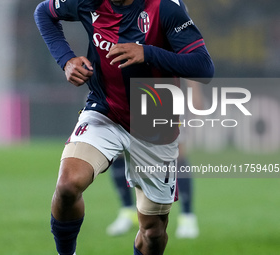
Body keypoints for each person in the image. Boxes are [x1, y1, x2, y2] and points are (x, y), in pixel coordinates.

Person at [34, 0, 214, 254]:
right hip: (105, 111)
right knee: (67, 185)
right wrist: (66, 60)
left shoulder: (166, 7)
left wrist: (147, 52)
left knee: (152, 231)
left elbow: (204, 67)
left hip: (155, 121)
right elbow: (44, 12)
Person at [107, 81, 203, 238]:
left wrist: (195, 91)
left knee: (177, 154)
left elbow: (186, 56)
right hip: (126, 92)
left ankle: (187, 217)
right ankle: (128, 210)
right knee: (119, 150)